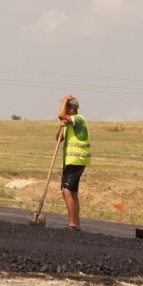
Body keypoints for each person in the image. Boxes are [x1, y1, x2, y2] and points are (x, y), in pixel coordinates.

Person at [57, 94, 91, 230]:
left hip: (77, 160)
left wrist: (65, 99)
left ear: (72, 108)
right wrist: (61, 127)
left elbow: (60, 115)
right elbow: (58, 139)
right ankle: (76, 225)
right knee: (72, 193)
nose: (64, 109)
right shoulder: (69, 124)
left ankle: (72, 225)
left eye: (66, 106)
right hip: (69, 161)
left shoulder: (79, 119)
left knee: (67, 191)